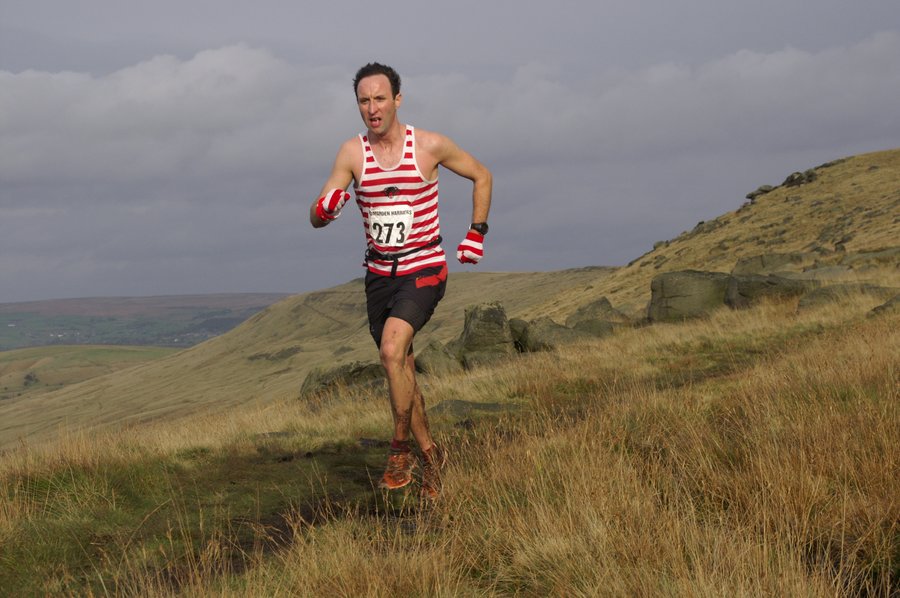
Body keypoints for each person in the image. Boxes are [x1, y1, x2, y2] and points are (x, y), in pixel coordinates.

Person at [309, 62, 492, 500]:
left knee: (391, 351)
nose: (372, 108)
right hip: (378, 278)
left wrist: (476, 232)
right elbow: (315, 215)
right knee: (401, 369)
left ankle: (399, 450)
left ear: (397, 99)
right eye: (364, 101)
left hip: (424, 268)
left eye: (379, 98)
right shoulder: (352, 153)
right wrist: (325, 210)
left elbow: (482, 175)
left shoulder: (428, 145)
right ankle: (432, 458)